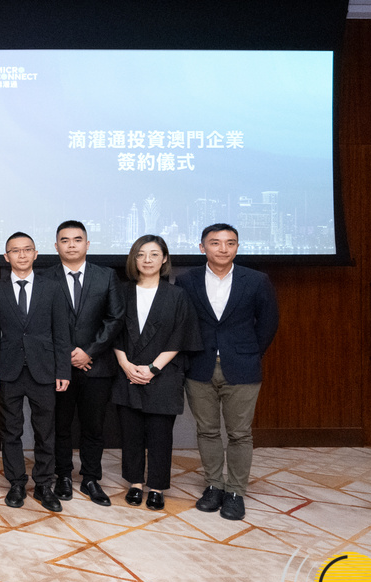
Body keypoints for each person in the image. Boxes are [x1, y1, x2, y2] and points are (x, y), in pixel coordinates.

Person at [177, 223, 279, 521]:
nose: (223, 249)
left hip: (242, 367)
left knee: (239, 433)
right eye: (215, 243)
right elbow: (183, 323)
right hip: (199, 366)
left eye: (230, 243)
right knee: (207, 431)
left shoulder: (256, 280)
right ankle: (213, 486)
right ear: (202, 247)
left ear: (237, 247)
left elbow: (269, 321)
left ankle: (235, 491)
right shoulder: (186, 280)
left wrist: (251, 353)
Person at [112, 235, 202, 511]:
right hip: (127, 371)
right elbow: (112, 331)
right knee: (131, 433)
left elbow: (180, 335)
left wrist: (153, 368)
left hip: (163, 373)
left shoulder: (177, 295)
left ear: (164, 259)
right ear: (133, 259)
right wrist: (126, 365)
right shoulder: (121, 292)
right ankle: (135, 483)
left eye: (153, 254)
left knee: (160, 435)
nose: (147, 260)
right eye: (141, 254)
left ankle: (157, 487)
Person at [40, 220, 124, 507]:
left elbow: (115, 318)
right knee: (60, 425)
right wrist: (66, 354)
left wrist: (89, 352)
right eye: (65, 240)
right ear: (56, 246)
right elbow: (40, 321)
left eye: (77, 239)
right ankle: (63, 475)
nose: (71, 245)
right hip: (58, 367)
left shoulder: (106, 276)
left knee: (93, 427)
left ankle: (90, 477)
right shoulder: (45, 277)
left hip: (96, 366)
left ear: (87, 244)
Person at [0, 232, 71, 513]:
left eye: (27, 250)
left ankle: (44, 484)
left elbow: (61, 334)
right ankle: (16, 482)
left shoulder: (53, 288)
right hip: (8, 370)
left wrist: (63, 370)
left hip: (44, 370)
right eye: (15, 250)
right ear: (6, 256)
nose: (21, 255)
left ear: (36, 254)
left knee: (45, 431)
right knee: (11, 430)